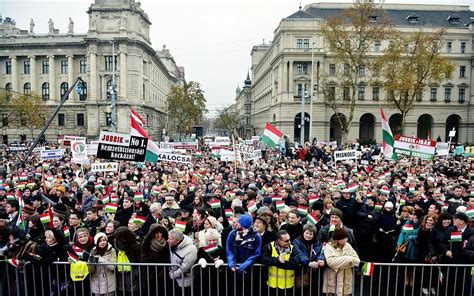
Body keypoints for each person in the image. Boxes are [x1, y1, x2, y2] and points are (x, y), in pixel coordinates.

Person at [226, 213, 262, 295]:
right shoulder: (233, 233)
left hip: (249, 271)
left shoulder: (256, 236)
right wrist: (231, 263)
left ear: (244, 225)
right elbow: (229, 250)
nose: (236, 224)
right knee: (233, 292)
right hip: (234, 270)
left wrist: (244, 266)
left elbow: (256, 254)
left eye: (239, 222)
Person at [260, 230, 300, 295]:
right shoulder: (269, 246)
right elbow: (262, 259)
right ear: (279, 240)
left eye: (289, 240)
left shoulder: (293, 248)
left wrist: (278, 263)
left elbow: (295, 264)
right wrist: (277, 259)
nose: (289, 242)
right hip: (272, 285)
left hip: (288, 286)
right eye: (286, 241)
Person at [323, 228, 360, 296]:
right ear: (339, 240)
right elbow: (331, 262)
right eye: (345, 238)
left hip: (345, 279)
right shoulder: (328, 247)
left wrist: (339, 262)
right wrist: (349, 259)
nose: (347, 240)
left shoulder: (348, 246)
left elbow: (357, 261)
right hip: (332, 279)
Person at [293, 224, 325, 291]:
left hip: (315, 271)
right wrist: (308, 262)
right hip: (302, 270)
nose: (308, 235)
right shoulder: (297, 241)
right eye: (306, 233)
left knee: (314, 289)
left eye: (311, 234)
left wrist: (320, 259)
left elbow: (321, 251)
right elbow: (299, 253)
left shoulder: (317, 241)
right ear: (303, 232)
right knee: (302, 290)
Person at [168, 228, 197, 296]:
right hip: (173, 280)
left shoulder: (191, 249)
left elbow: (185, 267)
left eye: (171, 239)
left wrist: (171, 275)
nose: (168, 241)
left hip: (184, 282)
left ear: (178, 240)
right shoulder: (172, 245)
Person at [114, 226, 140, 295]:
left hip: (132, 274)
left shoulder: (135, 245)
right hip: (120, 274)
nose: (116, 238)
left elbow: (138, 259)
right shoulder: (117, 245)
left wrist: (136, 273)